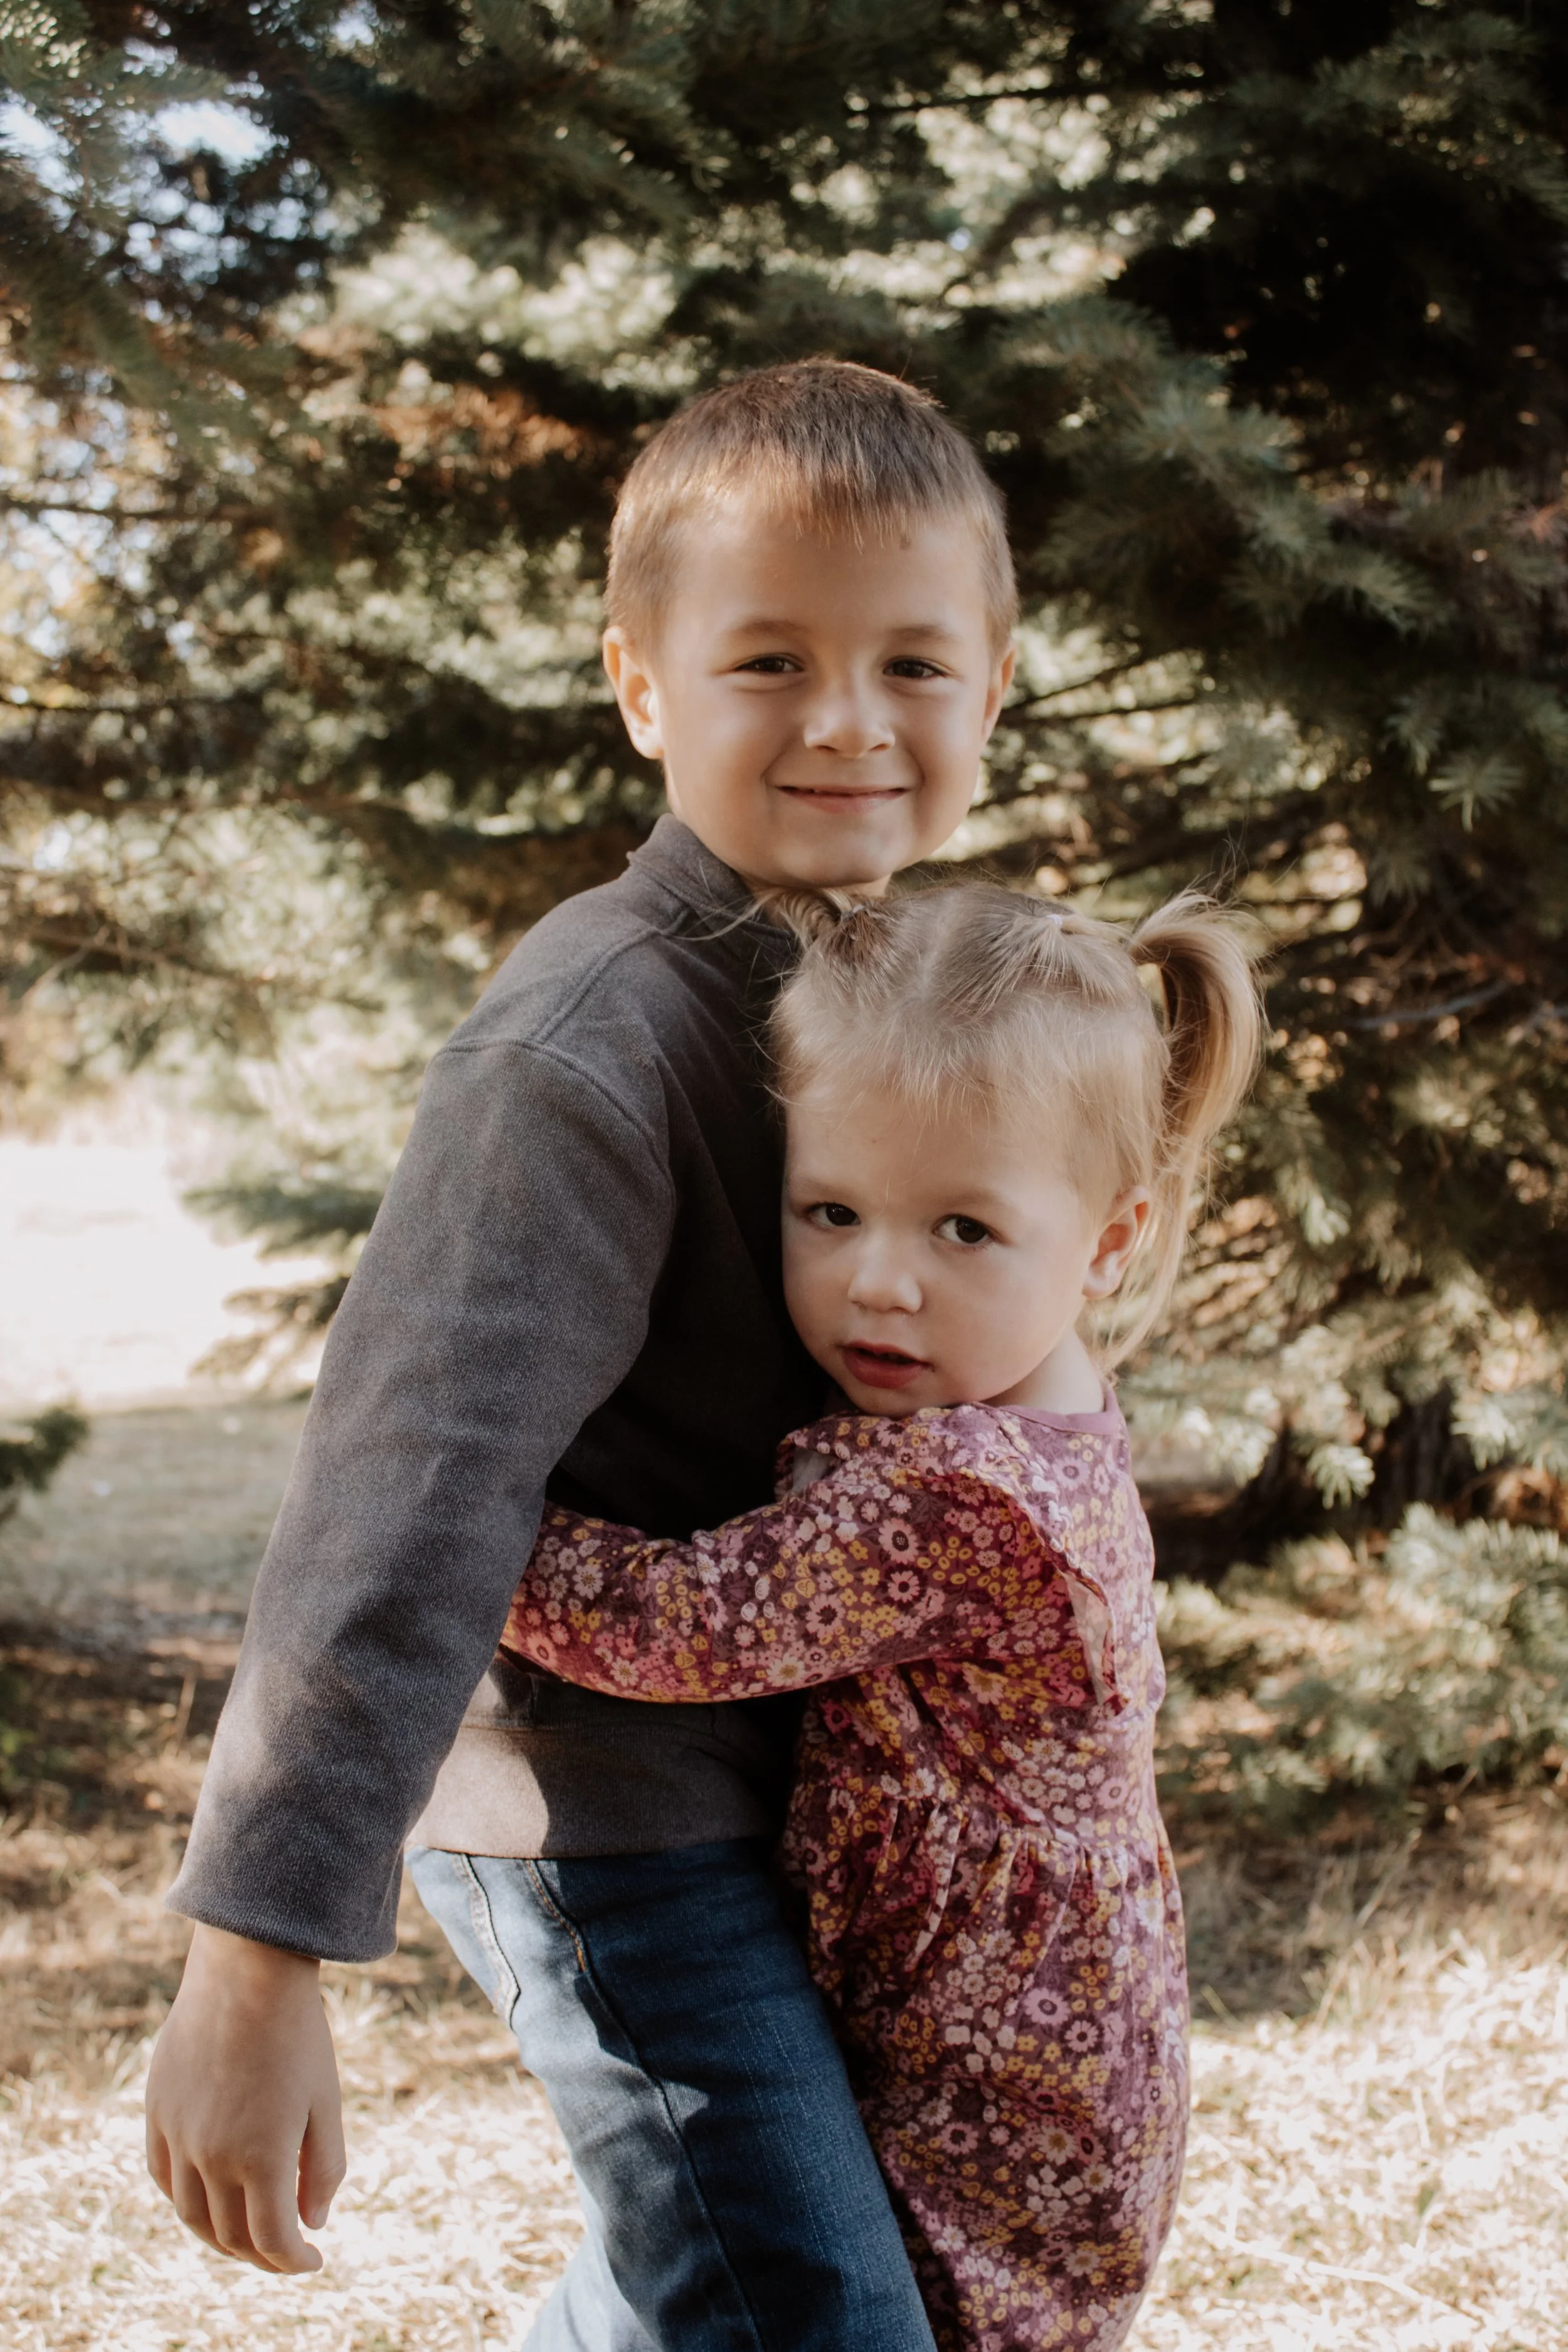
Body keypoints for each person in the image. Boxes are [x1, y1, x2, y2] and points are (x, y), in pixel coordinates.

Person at [144, 359, 1019, 2352]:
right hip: (587, 1796)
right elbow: (407, 1476)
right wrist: (256, 1953)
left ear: (992, 688)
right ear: (640, 685)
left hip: (772, 1781)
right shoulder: (589, 1043)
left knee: (701, 2279)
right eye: (768, 658)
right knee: (813, 2313)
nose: (845, 719)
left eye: (909, 660)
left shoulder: (892, 988)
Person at [501, 881, 1264, 2350]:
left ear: (1111, 1240)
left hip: (987, 2076)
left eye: (963, 1229)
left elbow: (675, 1625)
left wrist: (473, 1518)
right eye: (829, 1210)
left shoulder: (956, 1495)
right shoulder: (1046, 1404)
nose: (878, 1281)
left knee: (815, 2306)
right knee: (706, 2282)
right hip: (1043, 2026)